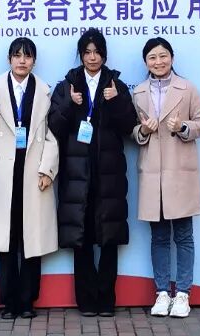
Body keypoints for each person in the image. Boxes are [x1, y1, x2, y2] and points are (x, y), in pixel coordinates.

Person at [48, 28, 138, 317]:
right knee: (82, 237)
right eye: (87, 52)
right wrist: (68, 103)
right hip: (77, 172)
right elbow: (54, 126)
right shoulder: (68, 85)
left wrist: (116, 101)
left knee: (108, 237)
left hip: (109, 173)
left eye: (97, 52)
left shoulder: (116, 84)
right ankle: (86, 300)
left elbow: (129, 126)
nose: (92, 57)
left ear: (104, 54)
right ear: (81, 55)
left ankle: (106, 299)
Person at [0, 37, 59, 319]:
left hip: (33, 171)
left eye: (27, 56)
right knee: (7, 239)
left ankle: (27, 301)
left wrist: (47, 169)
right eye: (17, 55)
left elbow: (51, 134)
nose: (22, 61)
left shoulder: (45, 90)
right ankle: (9, 302)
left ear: (34, 61)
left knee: (31, 240)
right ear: (9, 59)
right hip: (3, 173)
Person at [131, 37, 200, 318]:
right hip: (153, 172)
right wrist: (143, 131)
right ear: (146, 62)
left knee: (184, 236)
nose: (158, 62)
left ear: (172, 58)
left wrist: (183, 127)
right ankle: (162, 292)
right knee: (160, 237)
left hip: (180, 172)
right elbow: (133, 131)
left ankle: (183, 293)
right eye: (152, 57)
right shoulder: (138, 92)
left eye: (163, 56)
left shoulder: (187, 88)